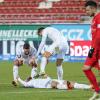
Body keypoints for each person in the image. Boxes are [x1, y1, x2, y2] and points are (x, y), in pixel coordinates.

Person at [83, 1, 100, 100]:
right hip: (94, 49)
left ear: (94, 8)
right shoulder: (94, 19)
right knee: (86, 68)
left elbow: (99, 36)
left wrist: (94, 49)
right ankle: (97, 91)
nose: (86, 12)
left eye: (88, 10)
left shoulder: (99, 18)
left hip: (97, 49)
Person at [17, 75, 92, 90]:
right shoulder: (30, 83)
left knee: (70, 82)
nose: (28, 77)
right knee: (54, 84)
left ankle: (89, 86)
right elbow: (25, 84)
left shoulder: (34, 79)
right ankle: (66, 87)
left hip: (52, 80)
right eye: (27, 78)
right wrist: (19, 79)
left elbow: (48, 77)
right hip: (48, 84)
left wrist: (44, 75)